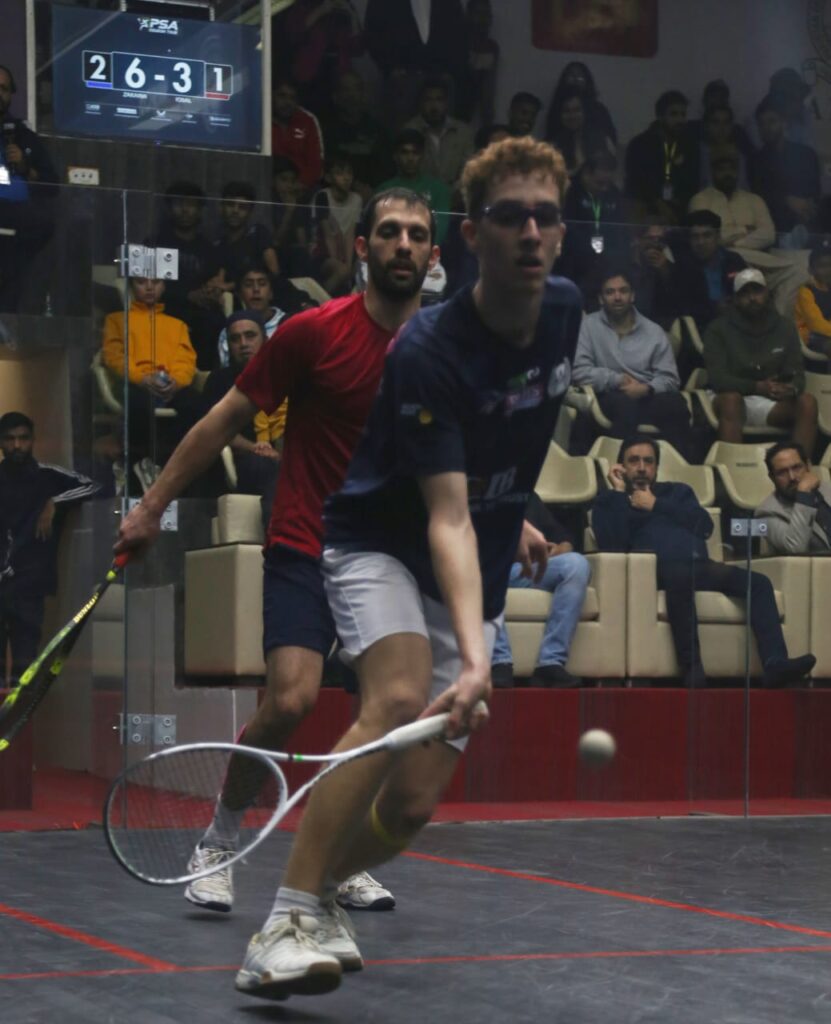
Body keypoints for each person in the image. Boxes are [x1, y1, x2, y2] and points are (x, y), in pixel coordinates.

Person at [225, 135, 581, 1002]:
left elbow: (496, 449)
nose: (529, 232)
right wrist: (477, 654)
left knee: (412, 805)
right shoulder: (426, 346)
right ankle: (282, 922)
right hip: (376, 540)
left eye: (544, 216)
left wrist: (514, 518)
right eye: (509, 216)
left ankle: (323, 894)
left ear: (561, 232)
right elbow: (444, 514)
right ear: (473, 236)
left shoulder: (565, 310)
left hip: (474, 558)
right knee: (395, 696)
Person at [115, 186, 440, 921]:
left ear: (433, 253)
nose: (403, 245)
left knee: (386, 711)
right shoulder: (312, 332)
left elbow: (457, 453)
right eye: (389, 231)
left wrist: (511, 521)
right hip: (304, 541)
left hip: (386, 558)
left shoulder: (441, 348)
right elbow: (220, 420)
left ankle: (341, 856)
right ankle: (218, 840)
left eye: (417, 235)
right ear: (361, 247)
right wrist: (151, 507)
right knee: (290, 700)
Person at [593, 435, 816, 688]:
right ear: (621, 466)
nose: (642, 467)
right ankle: (692, 669)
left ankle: (775, 663)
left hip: (699, 566)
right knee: (679, 575)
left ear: (657, 466)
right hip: (654, 571)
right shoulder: (609, 502)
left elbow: (705, 526)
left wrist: (656, 505)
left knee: (760, 583)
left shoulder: (678, 492)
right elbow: (612, 544)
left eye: (649, 461)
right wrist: (618, 494)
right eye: (634, 461)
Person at [0, 412, 99, 684]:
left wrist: (55, 501)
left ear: (33, 440)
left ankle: (21, 713)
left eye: (23, 438)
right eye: (10, 439)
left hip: (29, 583)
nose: (17, 445)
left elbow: (92, 486)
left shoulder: (48, 476)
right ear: (1, 442)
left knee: (25, 667)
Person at [573, 267, 690, 454]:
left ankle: (678, 466)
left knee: (677, 405)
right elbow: (579, 372)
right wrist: (617, 380)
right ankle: (617, 465)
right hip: (606, 394)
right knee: (624, 405)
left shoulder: (654, 332)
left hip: (647, 395)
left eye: (623, 291)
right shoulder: (587, 327)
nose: (617, 297)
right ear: (601, 299)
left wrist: (646, 389)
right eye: (610, 292)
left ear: (632, 295)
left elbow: (670, 379)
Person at [703, 268, 817, 452]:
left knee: (807, 402)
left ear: (767, 293)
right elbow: (718, 379)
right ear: (735, 299)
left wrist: (790, 389)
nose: (752, 298)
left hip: (768, 400)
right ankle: (731, 467)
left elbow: (797, 374)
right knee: (731, 401)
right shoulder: (717, 329)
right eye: (744, 293)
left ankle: (800, 465)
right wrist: (756, 387)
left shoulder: (785, 327)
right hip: (728, 397)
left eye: (757, 291)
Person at [101, 277, 205, 472]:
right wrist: (141, 378)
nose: (149, 287)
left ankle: (181, 463)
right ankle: (141, 462)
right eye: (142, 282)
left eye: (156, 282)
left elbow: (186, 360)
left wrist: (176, 382)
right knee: (137, 402)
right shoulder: (116, 320)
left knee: (195, 403)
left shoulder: (177, 325)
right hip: (136, 384)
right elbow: (114, 357)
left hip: (170, 384)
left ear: (163, 286)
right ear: (132, 286)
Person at [688, 146, 805, 316]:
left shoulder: (754, 200)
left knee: (799, 271)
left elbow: (768, 234)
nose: (727, 174)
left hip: (760, 260)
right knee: (734, 259)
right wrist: (744, 229)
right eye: (722, 169)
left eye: (732, 169)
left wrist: (734, 241)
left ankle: (778, 320)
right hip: (725, 261)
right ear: (712, 171)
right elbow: (710, 238)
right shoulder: (700, 200)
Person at [491, 493, 590, 689]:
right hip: (488, 567)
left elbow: (562, 537)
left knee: (576, 564)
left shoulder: (526, 495)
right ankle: (499, 662)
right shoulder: (476, 494)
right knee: (473, 568)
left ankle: (550, 663)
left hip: (525, 569)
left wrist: (561, 548)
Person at [203, 311, 282, 517]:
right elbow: (217, 430)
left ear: (265, 340)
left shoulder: (284, 375)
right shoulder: (219, 380)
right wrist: (255, 448)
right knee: (263, 466)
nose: (243, 344)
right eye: (235, 339)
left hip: (287, 453)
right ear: (228, 345)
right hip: (246, 458)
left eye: (250, 335)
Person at [0, 63, 58, 312]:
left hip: (16, 224)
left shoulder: (22, 135)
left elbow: (51, 184)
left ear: (11, 94)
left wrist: (25, 167)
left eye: (3, 88)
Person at [751, 95, 821, 246]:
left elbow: (815, 191)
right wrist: (787, 201)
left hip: (808, 226)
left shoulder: (806, 154)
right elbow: (758, 195)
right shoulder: (756, 161)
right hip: (773, 229)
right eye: (762, 124)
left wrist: (804, 208)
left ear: (783, 122)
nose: (767, 128)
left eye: (772, 121)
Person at [625, 90, 700, 225]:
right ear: (660, 116)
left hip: (679, 206)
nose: (680, 120)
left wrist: (678, 202)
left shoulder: (690, 145)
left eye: (683, 114)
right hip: (647, 204)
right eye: (674, 114)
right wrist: (658, 203)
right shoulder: (640, 144)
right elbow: (636, 182)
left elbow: (693, 181)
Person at [559, 149, 628, 294]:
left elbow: (621, 229)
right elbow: (566, 229)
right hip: (573, 261)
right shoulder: (569, 192)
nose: (604, 188)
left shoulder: (613, 193)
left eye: (608, 183)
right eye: (599, 183)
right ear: (586, 174)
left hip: (605, 261)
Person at [320, 70, 392, 198]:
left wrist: (374, 191)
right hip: (337, 196)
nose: (351, 95)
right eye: (346, 89)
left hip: (374, 195)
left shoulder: (378, 130)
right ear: (335, 97)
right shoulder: (326, 131)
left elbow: (386, 168)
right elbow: (326, 167)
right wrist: (353, 186)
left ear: (364, 95)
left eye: (357, 89)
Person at [377, 130, 452, 245]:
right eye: (404, 153)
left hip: (428, 249)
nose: (410, 158)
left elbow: (440, 229)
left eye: (415, 153)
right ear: (395, 156)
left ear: (422, 156)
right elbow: (381, 228)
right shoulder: (384, 190)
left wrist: (422, 249)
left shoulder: (439, 189)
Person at [757, 441, 831, 555]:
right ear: (772, 477)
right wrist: (804, 496)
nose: (792, 477)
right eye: (782, 472)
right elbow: (796, 549)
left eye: (796, 467)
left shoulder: (827, 489)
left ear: (808, 466)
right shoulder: (765, 513)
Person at [213, 182, 280, 299]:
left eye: (242, 207)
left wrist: (231, 286)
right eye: (230, 205)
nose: (235, 211)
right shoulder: (220, 245)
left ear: (250, 212)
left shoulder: (259, 234)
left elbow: (274, 271)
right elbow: (220, 282)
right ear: (221, 207)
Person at [405, 77, 475, 189]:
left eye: (439, 100)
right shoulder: (410, 130)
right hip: (419, 192)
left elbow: (468, 170)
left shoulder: (463, 132)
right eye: (428, 100)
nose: (434, 106)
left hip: (455, 195)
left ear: (447, 103)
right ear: (421, 103)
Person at [683, 210, 747, 327]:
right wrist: (714, 308)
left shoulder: (734, 261)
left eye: (707, 235)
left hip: (738, 324)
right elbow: (683, 308)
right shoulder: (684, 266)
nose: (701, 242)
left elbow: (748, 293)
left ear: (718, 237)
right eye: (695, 237)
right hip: (701, 328)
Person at [311, 153, 364, 295]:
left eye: (349, 173)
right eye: (340, 173)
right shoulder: (322, 197)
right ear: (329, 178)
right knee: (342, 271)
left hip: (345, 250)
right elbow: (327, 234)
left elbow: (350, 233)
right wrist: (342, 266)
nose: (346, 178)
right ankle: (320, 299)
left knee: (356, 269)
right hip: (321, 252)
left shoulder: (356, 199)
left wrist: (348, 264)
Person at [544, 61, 617, 148]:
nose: (576, 80)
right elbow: (551, 137)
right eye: (571, 76)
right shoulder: (557, 108)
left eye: (580, 77)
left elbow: (610, 139)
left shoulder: (599, 110)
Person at [271, 79, 325, 191]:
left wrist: (299, 186)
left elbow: (316, 165)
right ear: (272, 96)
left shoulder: (308, 120)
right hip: (269, 185)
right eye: (282, 96)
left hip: (301, 187)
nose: (287, 102)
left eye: (292, 98)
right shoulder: (261, 116)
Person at [546, 89, 614, 177]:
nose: (572, 116)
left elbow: (609, 174)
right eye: (566, 111)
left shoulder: (603, 140)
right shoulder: (552, 146)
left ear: (585, 112)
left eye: (577, 110)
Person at [794, 239, 831, 357]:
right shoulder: (806, 291)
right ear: (811, 270)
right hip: (809, 335)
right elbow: (816, 325)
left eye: (830, 265)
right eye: (822, 266)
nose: (828, 270)